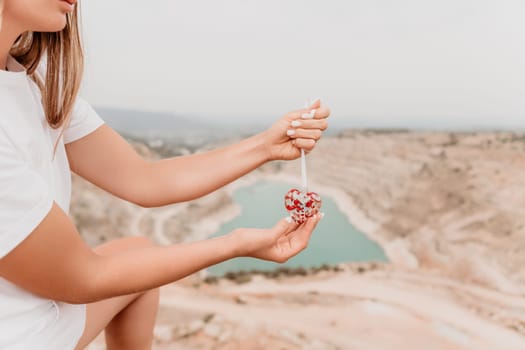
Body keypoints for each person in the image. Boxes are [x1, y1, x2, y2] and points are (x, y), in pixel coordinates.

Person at [0, 0, 330, 349]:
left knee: (138, 250)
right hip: (23, 337)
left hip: (33, 313)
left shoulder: (38, 81)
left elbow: (145, 179)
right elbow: (82, 277)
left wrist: (267, 146)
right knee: (132, 268)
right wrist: (235, 244)